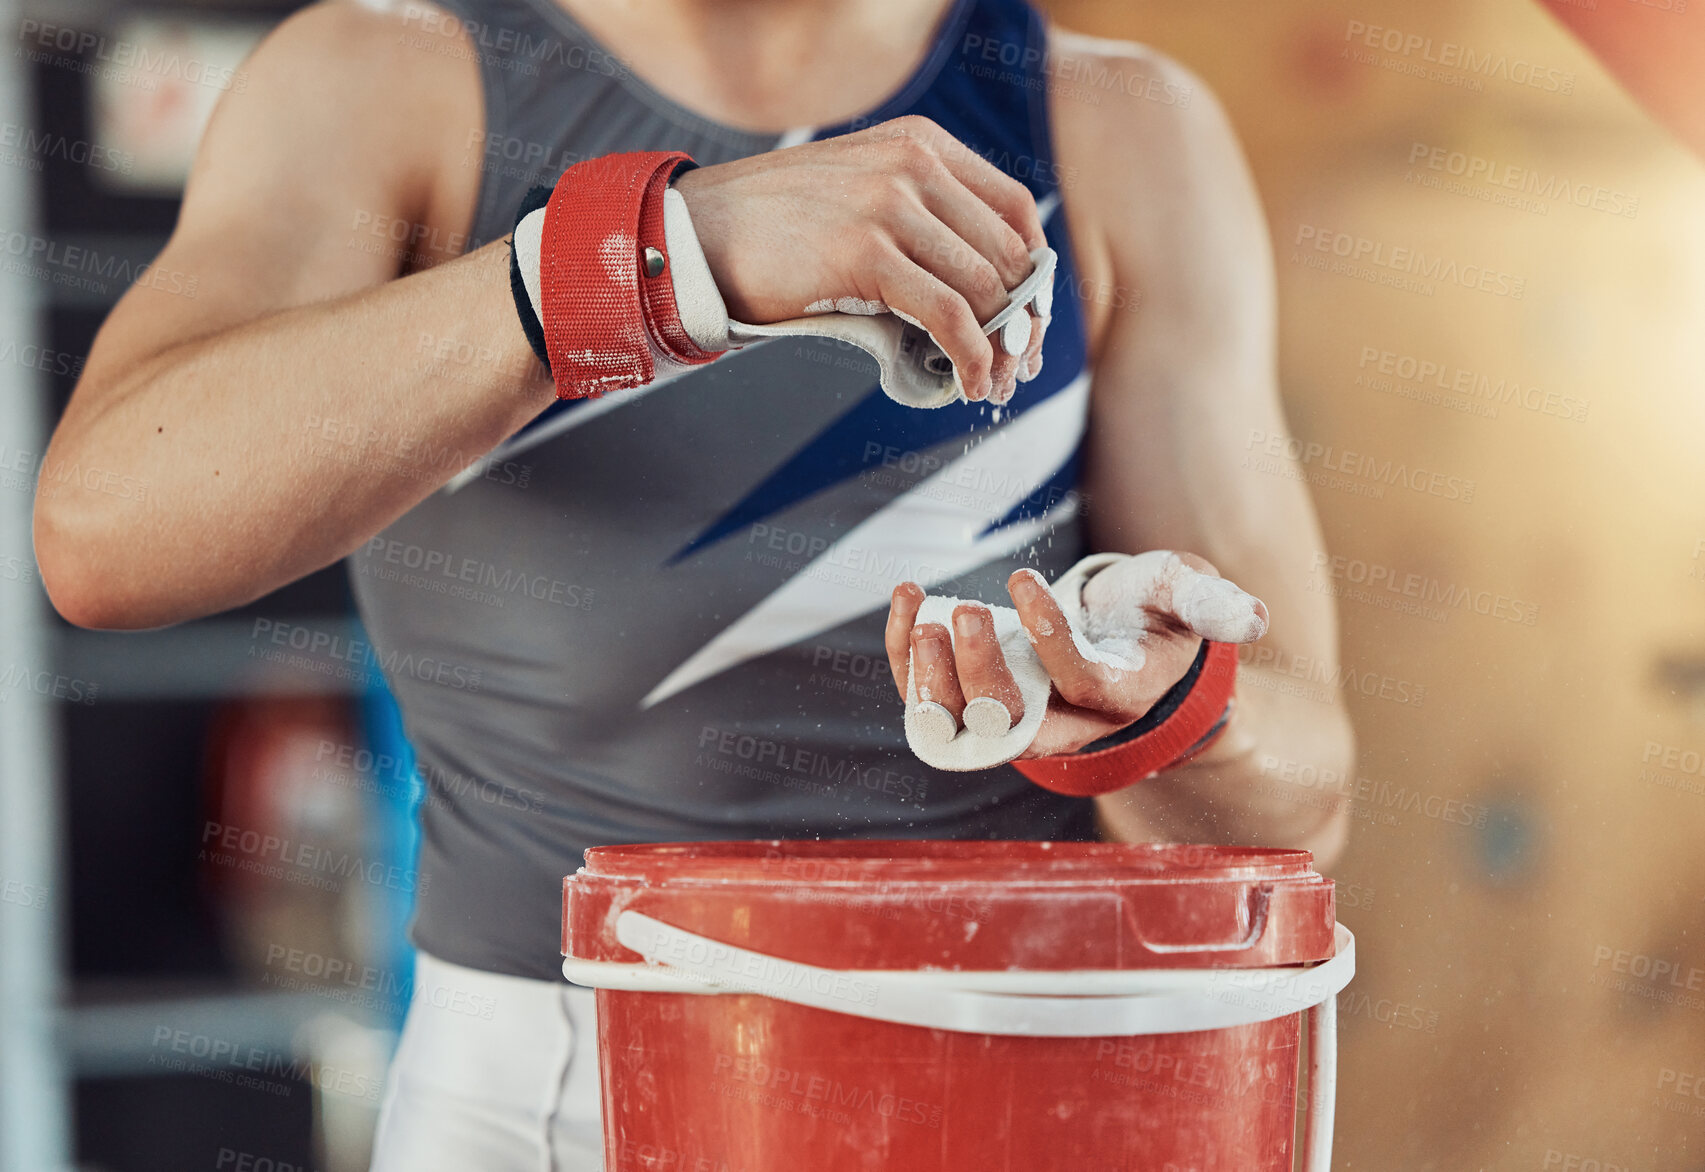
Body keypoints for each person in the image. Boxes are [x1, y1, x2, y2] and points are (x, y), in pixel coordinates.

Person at [31, 0, 1355, 1165]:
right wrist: (647, 258)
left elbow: (1305, 796)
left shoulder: (1117, 124)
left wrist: (1157, 709)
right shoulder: (393, 78)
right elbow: (105, 530)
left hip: (1019, 1061)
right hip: (554, 1089)